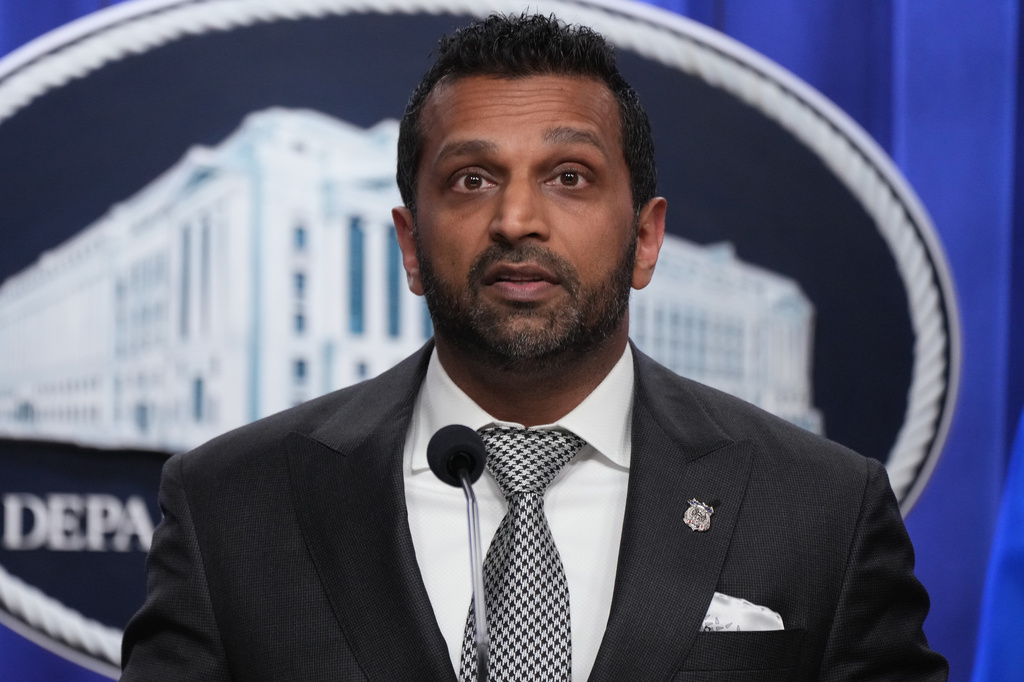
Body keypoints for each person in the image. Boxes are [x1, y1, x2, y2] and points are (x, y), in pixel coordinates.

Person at [121, 13, 948, 681]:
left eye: (570, 177)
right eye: (471, 180)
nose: (517, 219)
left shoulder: (819, 512)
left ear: (647, 240)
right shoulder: (230, 508)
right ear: (411, 245)